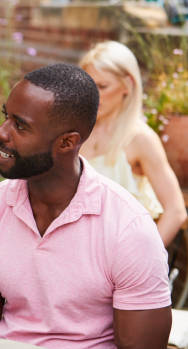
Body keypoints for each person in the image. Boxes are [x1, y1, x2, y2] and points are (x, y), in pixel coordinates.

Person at [0, 64, 171, 349]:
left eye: (20, 125)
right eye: (6, 116)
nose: (1, 132)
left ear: (67, 142)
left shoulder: (127, 229)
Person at [79, 41, 186, 247]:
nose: (93, 94)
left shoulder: (140, 138)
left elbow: (176, 210)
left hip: (118, 259)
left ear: (127, 84)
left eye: (102, 86)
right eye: (89, 85)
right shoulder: (76, 129)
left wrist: (143, 260)